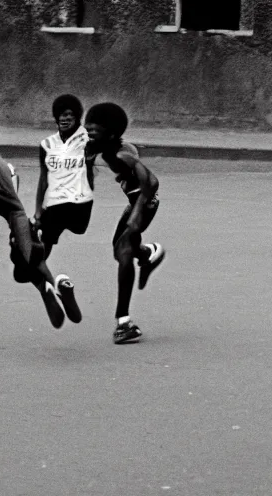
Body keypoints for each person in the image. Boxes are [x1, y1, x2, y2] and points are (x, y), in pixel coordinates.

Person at [0, 109, 80, 328]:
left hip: (16, 220)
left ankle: (58, 285)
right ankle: (48, 289)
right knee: (22, 269)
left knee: (33, 260)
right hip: (20, 217)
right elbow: (10, 183)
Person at [83, 103, 166, 344]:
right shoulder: (105, 148)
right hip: (135, 205)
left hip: (144, 205)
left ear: (110, 134)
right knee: (118, 251)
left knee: (124, 252)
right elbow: (88, 184)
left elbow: (152, 183)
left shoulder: (122, 154)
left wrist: (136, 216)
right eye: (87, 130)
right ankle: (149, 254)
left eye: (93, 132)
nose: (88, 136)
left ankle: (124, 323)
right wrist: (87, 161)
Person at [31, 94, 93, 324]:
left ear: (77, 118)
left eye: (70, 115)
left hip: (77, 206)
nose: (65, 118)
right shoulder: (47, 145)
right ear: (56, 117)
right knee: (35, 257)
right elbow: (43, 178)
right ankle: (57, 289)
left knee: (31, 256)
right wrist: (38, 210)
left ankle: (52, 287)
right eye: (62, 115)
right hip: (55, 206)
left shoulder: (87, 140)